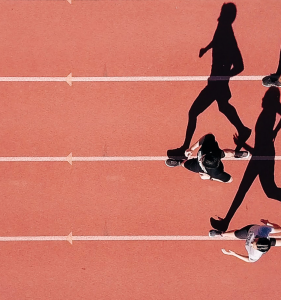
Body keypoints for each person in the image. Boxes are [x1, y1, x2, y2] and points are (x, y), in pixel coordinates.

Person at [167, 2, 251, 160]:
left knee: (193, 112)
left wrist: (223, 77)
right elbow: (216, 40)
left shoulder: (228, 35)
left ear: (227, 16)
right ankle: (243, 129)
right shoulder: (222, 29)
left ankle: (185, 148)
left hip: (216, 84)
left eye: (222, 13)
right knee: (224, 107)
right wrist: (206, 49)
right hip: (216, 82)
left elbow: (240, 66)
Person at [210, 87, 281, 232]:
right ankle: (225, 222)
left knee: (249, 190)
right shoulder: (269, 112)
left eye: (266, 96)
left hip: (262, 156)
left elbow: (260, 150)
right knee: (269, 191)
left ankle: (226, 222)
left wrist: (243, 145)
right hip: (262, 155)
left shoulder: (270, 111)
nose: (263, 98)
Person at [165, 133, 249, 183]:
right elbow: (207, 136)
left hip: (199, 168)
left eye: (202, 158)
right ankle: (237, 154)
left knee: (185, 164)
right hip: (215, 154)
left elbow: (229, 180)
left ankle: (179, 163)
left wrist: (209, 178)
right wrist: (192, 148)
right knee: (224, 153)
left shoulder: (216, 173)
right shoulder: (209, 148)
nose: (201, 157)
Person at [209, 219, 281, 263]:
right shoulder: (263, 230)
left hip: (261, 242)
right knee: (236, 233)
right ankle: (222, 234)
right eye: (255, 240)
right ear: (261, 238)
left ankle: (221, 234)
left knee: (272, 243)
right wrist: (268, 223)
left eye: (253, 244)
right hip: (251, 229)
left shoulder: (255, 254)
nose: (252, 242)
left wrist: (234, 254)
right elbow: (279, 228)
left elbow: (249, 260)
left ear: (258, 249)